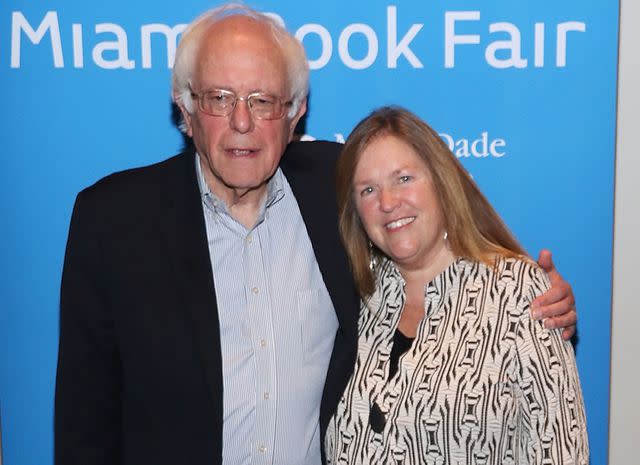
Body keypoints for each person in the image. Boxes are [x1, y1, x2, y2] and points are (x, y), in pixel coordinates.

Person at [54, 4, 577, 465]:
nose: (242, 121)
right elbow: (84, 427)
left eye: (262, 100)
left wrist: (534, 290)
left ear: (294, 113)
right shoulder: (112, 222)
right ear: (186, 109)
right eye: (219, 98)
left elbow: (442, 234)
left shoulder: (343, 185)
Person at [325, 106, 588, 465]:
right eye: (368, 190)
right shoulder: (351, 296)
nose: (387, 203)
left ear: (442, 181)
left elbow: (561, 450)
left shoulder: (518, 291)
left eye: (403, 179)